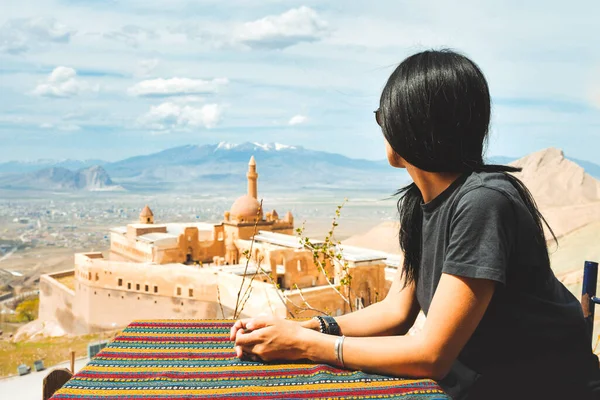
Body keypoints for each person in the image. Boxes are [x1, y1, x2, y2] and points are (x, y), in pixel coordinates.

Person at [230, 49, 600, 399]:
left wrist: (305, 346)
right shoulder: (419, 204)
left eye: (384, 116)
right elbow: (395, 313)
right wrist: (311, 328)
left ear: (415, 126)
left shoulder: (484, 202)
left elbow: (431, 354)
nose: (382, 128)